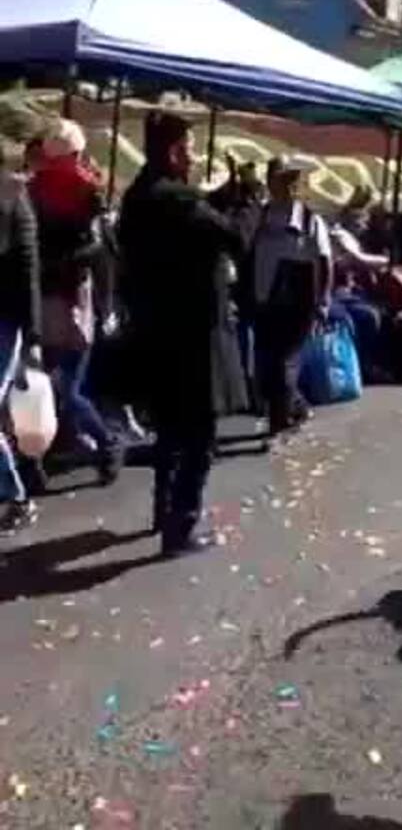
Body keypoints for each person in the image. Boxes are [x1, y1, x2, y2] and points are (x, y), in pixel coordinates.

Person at [118, 112, 248, 555]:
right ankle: (182, 526)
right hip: (192, 333)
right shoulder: (181, 201)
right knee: (198, 435)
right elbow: (234, 238)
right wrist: (237, 200)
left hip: (152, 327)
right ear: (174, 151)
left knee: (169, 431)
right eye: (189, 148)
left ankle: (163, 512)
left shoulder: (137, 197)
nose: (192, 156)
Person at [28, 119, 120, 482]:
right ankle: (46, 455)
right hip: (45, 295)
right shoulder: (34, 192)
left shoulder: (88, 193)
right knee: (45, 386)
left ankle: (107, 440)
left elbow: (100, 249)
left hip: (73, 295)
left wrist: (105, 299)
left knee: (64, 387)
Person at [248, 156, 332, 438]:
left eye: (290, 180)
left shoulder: (310, 220)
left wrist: (322, 301)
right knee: (265, 364)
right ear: (270, 181)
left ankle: (279, 421)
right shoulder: (259, 216)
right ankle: (292, 408)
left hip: (297, 301)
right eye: (280, 179)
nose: (285, 185)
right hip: (262, 298)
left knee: (285, 363)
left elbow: (324, 261)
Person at [0, 163, 41, 534]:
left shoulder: (12, 196)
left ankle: (17, 496)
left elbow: (27, 266)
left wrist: (32, 336)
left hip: (4, 320)